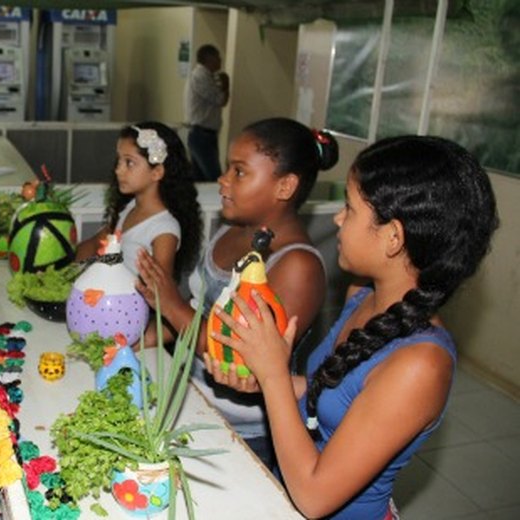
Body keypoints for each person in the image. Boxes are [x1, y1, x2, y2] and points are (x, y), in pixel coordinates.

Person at [205, 135, 498, 519]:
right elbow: (333, 392)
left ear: (393, 237)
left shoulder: (421, 364)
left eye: (350, 209)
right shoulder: (362, 295)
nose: (338, 219)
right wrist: (262, 375)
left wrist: (276, 375)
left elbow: (314, 497)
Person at [136, 118, 339, 469]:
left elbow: (242, 358)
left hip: (242, 435)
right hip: (188, 400)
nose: (223, 179)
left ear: (285, 186)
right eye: (228, 167)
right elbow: (197, 311)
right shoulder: (232, 229)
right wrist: (142, 339)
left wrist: (169, 304)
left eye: (240, 172)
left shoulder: (298, 266)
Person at [76, 121, 202, 281]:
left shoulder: (164, 230)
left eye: (129, 162)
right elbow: (95, 244)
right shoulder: (128, 208)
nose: (118, 170)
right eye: (119, 161)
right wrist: (63, 265)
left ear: (156, 172)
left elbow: (158, 292)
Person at [185, 44, 230, 182]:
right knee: (214, 178)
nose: (220, 61)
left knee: (200, 180)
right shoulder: (201, 76)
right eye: (218, 57)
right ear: (209, 58)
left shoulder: (208, 76)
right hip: (201, 135)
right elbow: (220, 100)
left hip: (205, 134)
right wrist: (226, 85)